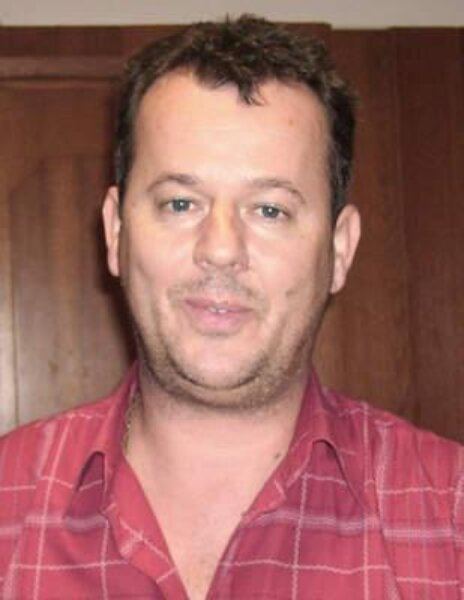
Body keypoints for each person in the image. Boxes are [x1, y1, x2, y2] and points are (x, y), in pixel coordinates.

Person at [0, 15, 462, 600]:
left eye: (269, 210)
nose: (220, 249)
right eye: (180, 203)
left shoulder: (451, 520)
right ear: (116, 232)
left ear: (340, 250)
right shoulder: (8, 505)